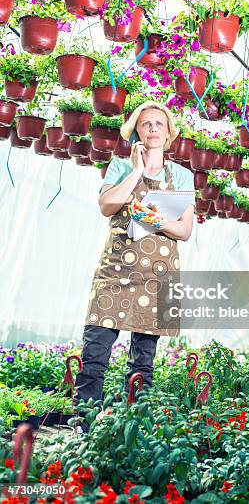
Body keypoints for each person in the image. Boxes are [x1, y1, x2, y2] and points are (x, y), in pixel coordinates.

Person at [73, 101, 195, 428]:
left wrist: (153, 220)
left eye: (159, 124)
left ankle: (134, 435)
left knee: (142, 365)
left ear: (169, 133)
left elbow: (184, 230)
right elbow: (107, 204)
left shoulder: (182, 175)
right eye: (146, 124)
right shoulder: (119, 167)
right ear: (136, 131)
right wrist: (137, 171)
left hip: (157, 276)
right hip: (115, 272)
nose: (153, 128)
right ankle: (85, 433)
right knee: (94, 357)